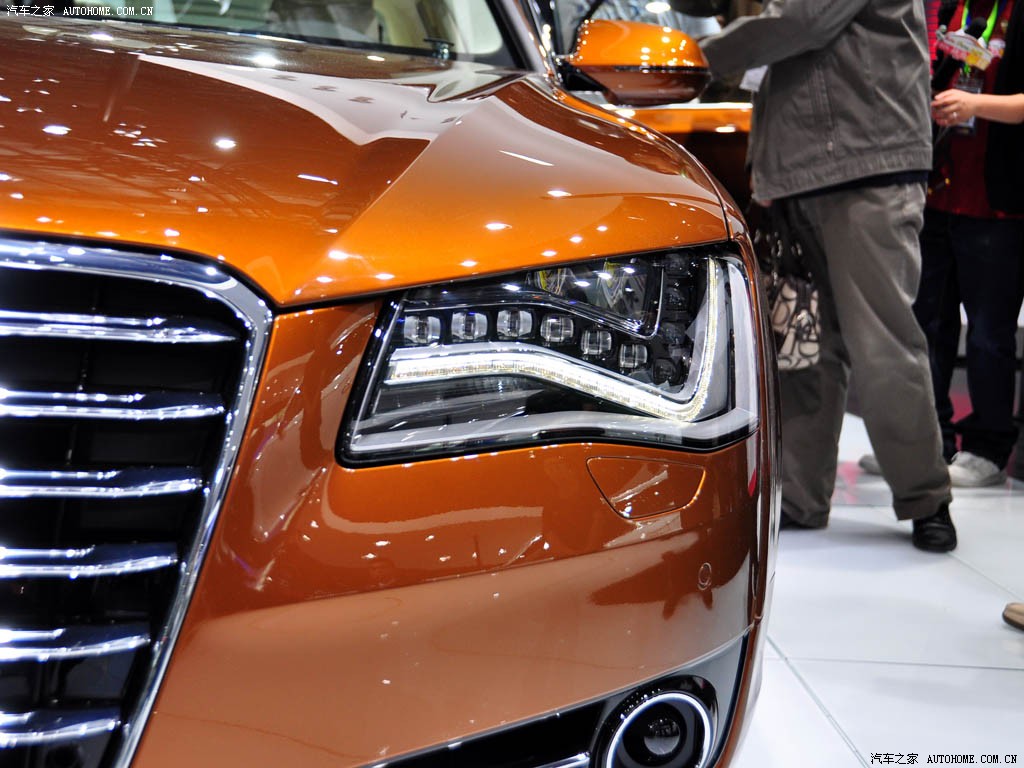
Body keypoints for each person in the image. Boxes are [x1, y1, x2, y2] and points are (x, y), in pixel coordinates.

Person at [699, 0, 957, 551]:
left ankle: (925, 497)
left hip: (867, 166)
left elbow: (802, 22)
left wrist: (696, 57)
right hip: (803, 172)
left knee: (882, 344)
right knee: (804, 348)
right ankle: (800, 496)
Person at [912, 0, 1024, 487]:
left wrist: (974, 105)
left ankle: (988, 447)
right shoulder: (947, 8)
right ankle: (930, 441)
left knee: (988, 334)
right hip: (937, 192)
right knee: (927, 324)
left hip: (997, 204)